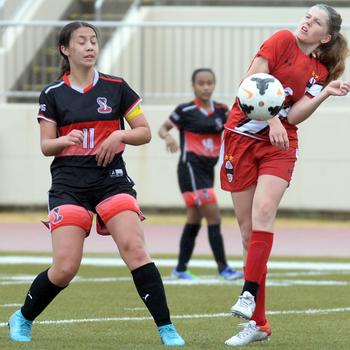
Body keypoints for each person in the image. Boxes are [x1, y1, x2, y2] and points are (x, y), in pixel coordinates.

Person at [8, 21, 185, 347]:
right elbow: (46, 146)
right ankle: (22, 317)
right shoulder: (52, 93)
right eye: (82, 42)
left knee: (135, 250)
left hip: (111, 181)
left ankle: (166, 328)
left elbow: (144, 132)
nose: (90, 47)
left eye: (93, 41)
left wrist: (119, 134)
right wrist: (65, 140)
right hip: (69, 185)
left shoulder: (117, 87)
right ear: (65, 49)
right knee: (65, 268)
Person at [220, 4, 350, 347]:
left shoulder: (319, 70)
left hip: (279, 144)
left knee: (265, 212)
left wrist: (323, 93)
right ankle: (259, 324)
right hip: (243, 138)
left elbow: (295, 117)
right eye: (307, 16)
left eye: (316, 21)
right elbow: (250, 82)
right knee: (249, 235)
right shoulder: (280, 40)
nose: (307, 22)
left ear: (327, 36)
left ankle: (247, 295)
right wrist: (272, 119)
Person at [158, 68, 244, 281]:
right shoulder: (185, 110)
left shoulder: (222, 110)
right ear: (193, 85)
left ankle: (179, 268)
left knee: (194, 218)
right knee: (213, 216)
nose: (206, 87)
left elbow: (234, 128)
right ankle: (223, 268)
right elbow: (163, 128)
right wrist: (168, 137)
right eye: (201, 83)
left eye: (209, 83)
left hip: (207, 170)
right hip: (190, 169)